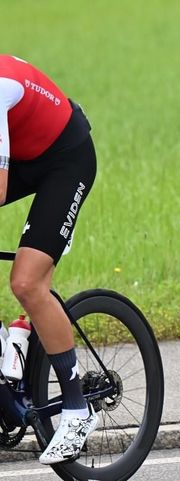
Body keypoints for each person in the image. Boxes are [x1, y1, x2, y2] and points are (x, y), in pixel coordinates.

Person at [0, 55, 98, 463]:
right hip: (28, 150)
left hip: (66, 158)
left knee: (27, 282)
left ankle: (77, 409)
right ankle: (12, 347)